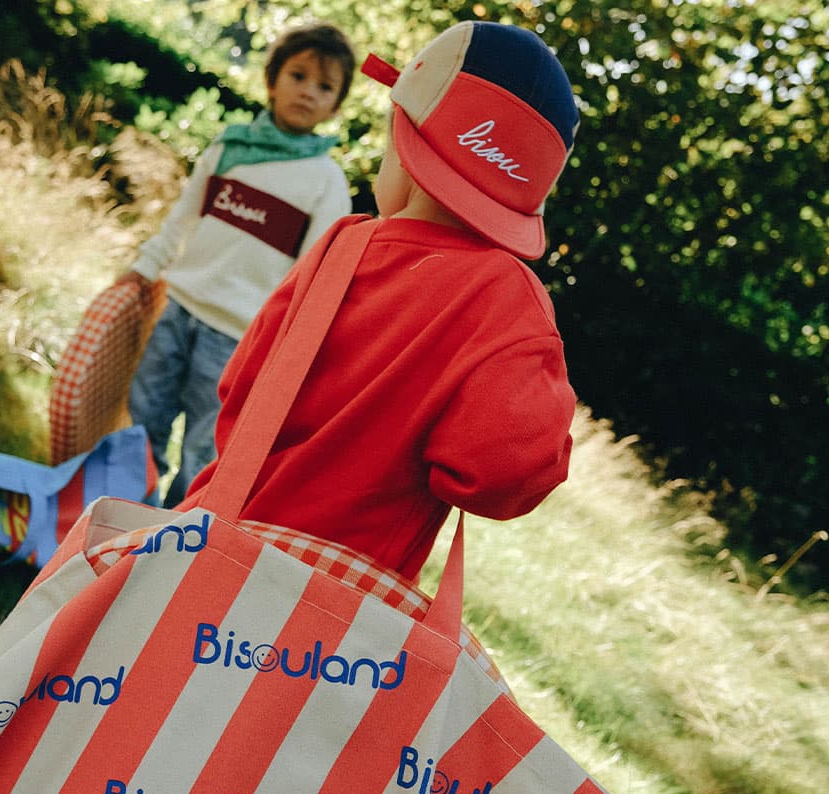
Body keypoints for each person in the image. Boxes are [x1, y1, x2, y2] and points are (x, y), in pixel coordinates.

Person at [179, 20, 581, 581]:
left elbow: (239, 388)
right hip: (328, 611)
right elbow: (503, 477)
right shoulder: (509, 304)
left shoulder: (340, 248)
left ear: (403, 138)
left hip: (210, 544)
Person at [122, 22, 355, 506]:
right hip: (177, 308)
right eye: (298, 76)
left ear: (336, 105)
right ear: (272, 80)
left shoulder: (326, 182)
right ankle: (117, 519)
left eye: (325, 86)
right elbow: (181, 219)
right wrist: (144, 269)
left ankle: (166, 541)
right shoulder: (230, 148)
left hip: (237, 337)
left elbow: (312, 277)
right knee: (144, 418)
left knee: (203, 449)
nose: (308, 92)